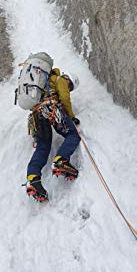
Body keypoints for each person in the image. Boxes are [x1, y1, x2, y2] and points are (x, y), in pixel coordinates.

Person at [26, 68, 81, 202]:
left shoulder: (44, 84)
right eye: (70, 86)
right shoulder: (60, 79)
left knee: (42, 147)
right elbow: (64, 97)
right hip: (50, 108)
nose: (69, 88)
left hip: (36, 115)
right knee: (73, 134)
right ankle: (61, 160)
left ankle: (33, 179)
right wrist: (71, 117)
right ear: (68, 79)